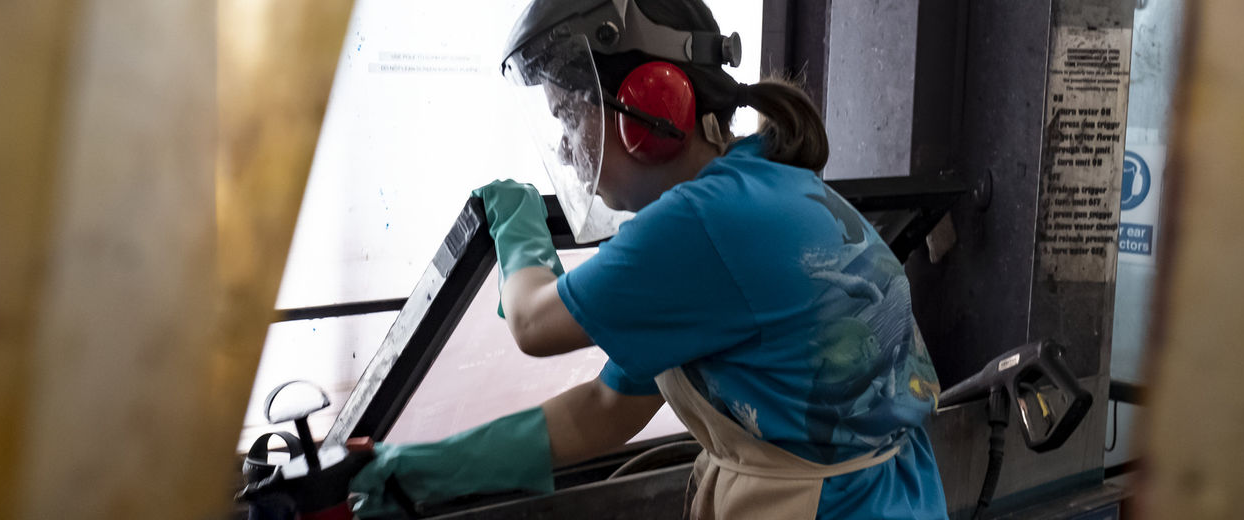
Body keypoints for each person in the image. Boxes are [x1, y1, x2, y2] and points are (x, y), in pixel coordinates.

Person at [350, 0, 947, 518]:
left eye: (568, 115)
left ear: (653, 106)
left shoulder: (703, 220)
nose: (564, 144)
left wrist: (516, 218)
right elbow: (609, 409)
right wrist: (412, 469)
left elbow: (533, 324)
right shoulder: (765, 184)